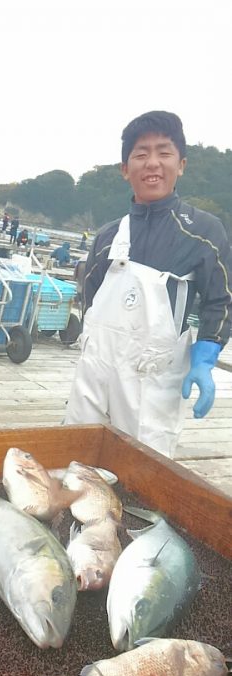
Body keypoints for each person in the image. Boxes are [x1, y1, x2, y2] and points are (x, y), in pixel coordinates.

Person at [64, 110, 232, 458]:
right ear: (126, 169)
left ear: (181, 164)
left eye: (163, 152)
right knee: (76, 460)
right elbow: (90, 298)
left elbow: (221, 300)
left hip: (151, 379)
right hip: (95, 372)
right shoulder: (108, 236)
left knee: (143, 474)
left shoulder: (203, 231)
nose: (152, 163)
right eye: (141, 154)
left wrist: (205, 355)